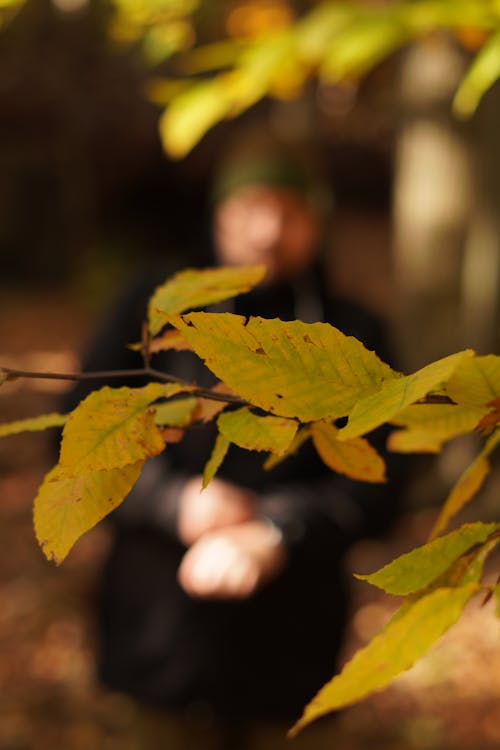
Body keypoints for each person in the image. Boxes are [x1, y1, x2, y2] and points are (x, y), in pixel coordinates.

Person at [64, 130, 406, 749]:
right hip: (159, 644)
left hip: (294, 659)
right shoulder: (150, 313)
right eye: (252, 206)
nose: (270, 229)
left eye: (291, 210)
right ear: (219, 211)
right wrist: (173, 504)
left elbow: (384, 482)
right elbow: (75, 446)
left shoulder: (353, 337)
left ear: (318, 221)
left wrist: (278, 529)